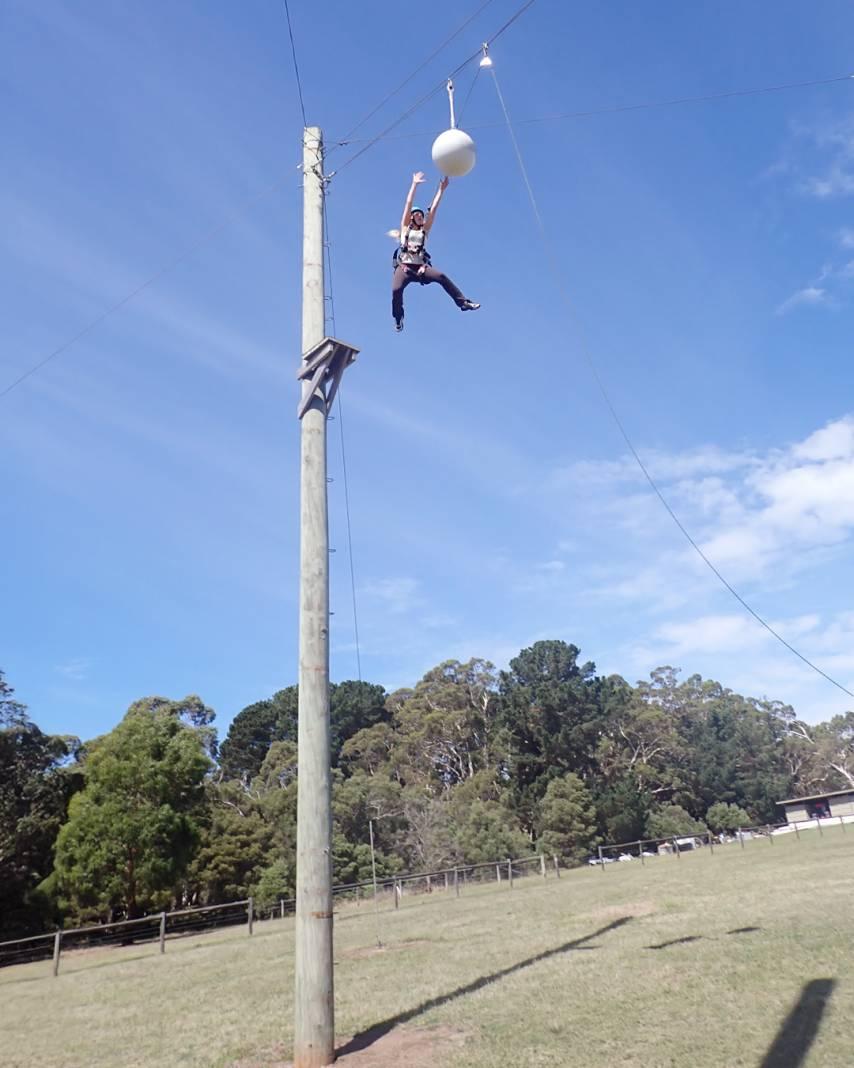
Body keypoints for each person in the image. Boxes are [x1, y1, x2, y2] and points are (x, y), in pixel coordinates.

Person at [392, 171, 480, 332]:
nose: (420, 216)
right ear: (411, 218)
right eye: (417, 215)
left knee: (441, 276)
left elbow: (433, 210)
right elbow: (408, 203)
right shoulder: (405, 228)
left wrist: (441, 190)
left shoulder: (425, 230)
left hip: (420, 268)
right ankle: (398, 317)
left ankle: (463, 303)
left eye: (421, 215)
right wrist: (414, 184)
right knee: (396, 290)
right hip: (404, 267)